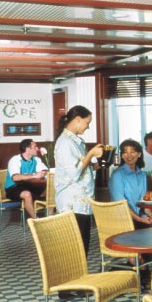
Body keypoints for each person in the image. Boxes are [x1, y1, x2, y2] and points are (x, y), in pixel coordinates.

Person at [54, 105, 104, 257]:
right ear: (77, 119)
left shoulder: (76, 142)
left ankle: (80, 272)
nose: (88, 127)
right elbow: (74, 173)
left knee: (82, 246)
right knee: (76, 250)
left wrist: (100, 164)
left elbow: (83, 168)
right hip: (72, 203)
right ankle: (76, 273)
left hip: (82, 203)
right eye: (87, 122)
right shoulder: (65, 143)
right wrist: (91, 154)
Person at [108, 139, 152, 228]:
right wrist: (139, 219)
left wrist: (151, 215)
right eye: (125, 152)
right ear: (122, 155)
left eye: (132, 152)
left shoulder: (143, 175)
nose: (129, 155)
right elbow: (120, 204)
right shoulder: (117, 175)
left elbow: (145, 201)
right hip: (123, 221)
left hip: (141, 219)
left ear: (139, 154)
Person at [5, 138, 49, 220]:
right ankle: (36, 220)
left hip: (28, 185)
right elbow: (15, 177)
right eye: (35, 147)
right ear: (28, 149)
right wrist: (34, 175)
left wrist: (43, 173)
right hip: (13, 187)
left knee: (50, 189)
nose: (37, 148)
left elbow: (45, 171)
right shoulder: (15, 160)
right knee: (27, 194)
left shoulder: (36, 159)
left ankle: (49, 216)